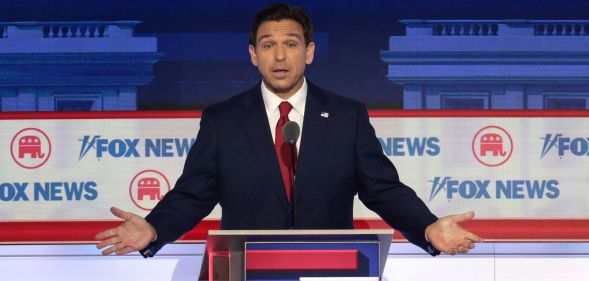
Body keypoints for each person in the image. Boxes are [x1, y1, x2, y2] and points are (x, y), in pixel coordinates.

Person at [96, 2, 482, 258]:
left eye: (291, 44)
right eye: (268, 45)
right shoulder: (223, 120)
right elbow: (193, 195)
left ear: (309, 52)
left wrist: (427, 227)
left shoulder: (347, 117)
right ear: (253, 55)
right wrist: (154, 230)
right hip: (245, 270)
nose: (279, 56)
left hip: (329, 271)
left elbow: (383, 189)